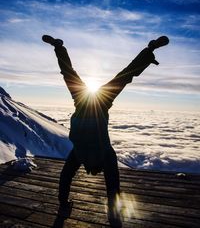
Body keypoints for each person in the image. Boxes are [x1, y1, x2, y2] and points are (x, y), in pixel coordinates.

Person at [42, 34, 169, 227]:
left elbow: (112, 190)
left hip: (99, 101)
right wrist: (63, 202)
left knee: (123, 77)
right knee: (71, 74)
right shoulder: (85, 155)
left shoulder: (98, 156)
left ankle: (149, 50)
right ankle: (59, 47)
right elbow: (67, 178)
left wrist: (64, 204)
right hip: (86, 101)